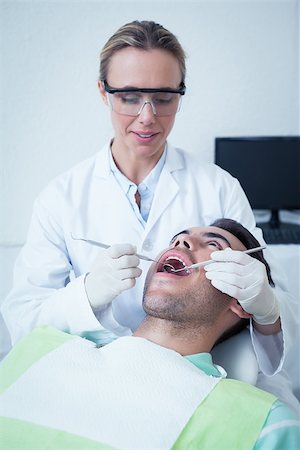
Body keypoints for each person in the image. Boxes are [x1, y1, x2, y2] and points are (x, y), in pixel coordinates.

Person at [1, 20, 298, 409]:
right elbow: (21, 324)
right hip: (96, 382)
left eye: (163, 98)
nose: (147, 117)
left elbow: (272, 316)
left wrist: (266, 307)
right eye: (129, 97)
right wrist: (86, 295)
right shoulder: (61, 198)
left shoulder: (219, 187)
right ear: (103, 93)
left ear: (181, 95)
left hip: (203, 387)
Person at [0, 220, 299, 450]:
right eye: (177, 238)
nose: (182, 240)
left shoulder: (262, 423)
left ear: (241, 299)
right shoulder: (40, 346)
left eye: (215, 245)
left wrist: (269, 306)